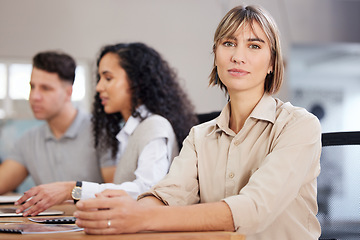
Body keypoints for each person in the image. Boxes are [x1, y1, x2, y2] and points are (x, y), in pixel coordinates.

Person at [74, 5, 322, 240]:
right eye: (228, 43)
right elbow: (168, 194)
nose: (238, 56)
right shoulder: (200, 136)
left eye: (254, 46)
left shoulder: (300, 125)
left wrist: (143, 217)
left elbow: (254, 207)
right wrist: (131, 213)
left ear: (271, 63)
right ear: (216, 55)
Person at [14, 42, 198, 217]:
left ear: (137, 83)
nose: (99, 87)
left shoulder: (154, 126)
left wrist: (73, 189)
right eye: (100, 78)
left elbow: (148, 191)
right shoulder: (131, 132)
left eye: (108, 78)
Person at [0, 51, 114, 196]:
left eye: (45, 88)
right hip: (46, 218)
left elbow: (115, 194)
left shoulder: (102, 133)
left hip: (92, 218)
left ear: (68, 93)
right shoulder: (29, 140)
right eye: (32, 87)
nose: (34, 96)